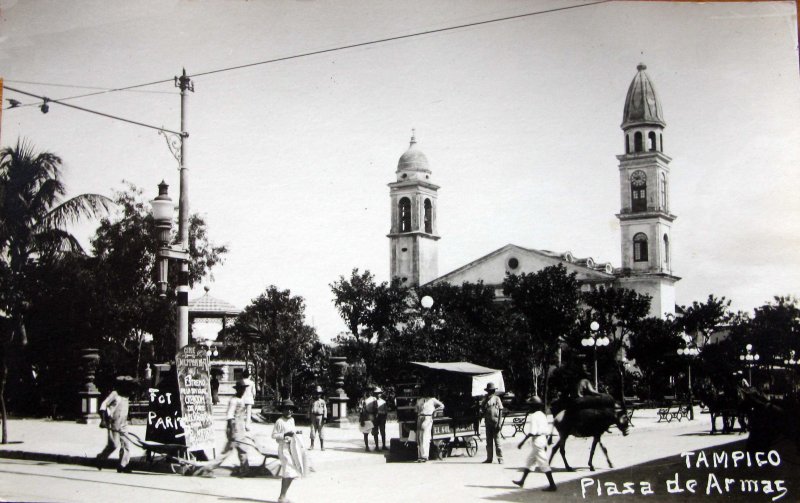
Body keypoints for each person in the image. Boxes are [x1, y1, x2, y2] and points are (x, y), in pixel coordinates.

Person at [195, 379, 250, 477]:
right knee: (229, 452)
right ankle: (208, 468)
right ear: (237, 389)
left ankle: (245, 469)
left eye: (244, 389)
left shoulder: (241, 399)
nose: (243, 391)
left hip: (240, 428)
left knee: (242, 449)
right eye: (241, 389)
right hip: (235, 428)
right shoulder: (234, 400)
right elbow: (229, 416)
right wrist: (232, 431)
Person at [513, 396, 556, 491]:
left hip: (537, 442)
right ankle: (522, 481)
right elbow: (547, 430)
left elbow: (532, 432)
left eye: (530, 405)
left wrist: (522, 442)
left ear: (533, 406)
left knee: (543, 463)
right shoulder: (542, 414)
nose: (529, 407)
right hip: (542, 440)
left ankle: (552, 485)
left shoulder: (533, 416)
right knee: (530, 461)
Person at [96, 375, 134, 472]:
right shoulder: (115, 394)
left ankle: (123, 465)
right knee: (114, 444)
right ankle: (100, 458)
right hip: (114, 422)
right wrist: (103, 420)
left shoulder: (126, 395)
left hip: (123, 422)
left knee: (125, 443)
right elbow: (103, 405)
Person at [272, 399, 307, 503]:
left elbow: (292, 431)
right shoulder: (279, 421)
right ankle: (282, 497)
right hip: (283, 448)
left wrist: (296, 432)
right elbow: (273, 435)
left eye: (291, 410)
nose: (289, 412)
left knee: (293, 472)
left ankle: (282, 496)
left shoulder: (292, 420)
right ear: (282, 410)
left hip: (292, 447)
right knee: (288, 471)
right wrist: (284, 435)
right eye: (286, 410)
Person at [415, 387, 444, 462]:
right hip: (420, 417)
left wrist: (434, 410)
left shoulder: (432, 400)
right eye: (424, 391)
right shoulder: (420, 400)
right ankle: (420, 455)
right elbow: (416, 409)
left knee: (425, 436)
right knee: (419, 437)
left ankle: (425, 456)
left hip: (428, 417)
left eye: (427, 391)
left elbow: (442, 405)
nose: (425, 393)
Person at [480, 382, 504, 464]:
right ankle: (489, 458)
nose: (490, 392)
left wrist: (499, 423)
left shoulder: (497, 398)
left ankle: (500, 458)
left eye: (492, 391)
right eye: (489, 391)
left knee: (497, 441)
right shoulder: (485, 399)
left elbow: (501, 410)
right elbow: (482, 408)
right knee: (488, 441)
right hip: (488, 422)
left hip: (495, 422)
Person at [309, 386, 327, 451]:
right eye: (316, 393)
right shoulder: (312, 401)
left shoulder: (322, 401)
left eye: (319, 393)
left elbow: (325, 409)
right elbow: (309, 409)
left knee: (321, 431)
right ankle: (312, 445)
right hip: (313, 416)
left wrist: (325, 417)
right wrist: (308, 416)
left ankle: (322, 446)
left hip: (320, 417)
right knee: (312, 431)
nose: (317, 395)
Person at [359, 387, 377, 451]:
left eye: (370, 391)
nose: (368, 392)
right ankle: (367, 447)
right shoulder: (362, 399)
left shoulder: (374, 399)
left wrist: (375, 416)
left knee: (375, 432)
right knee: (365, 433)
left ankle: (377, 446)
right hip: (365, 417)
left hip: (372, 416)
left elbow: (376, 408)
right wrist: (361, 419)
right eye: (367, 391)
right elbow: (360, 410)